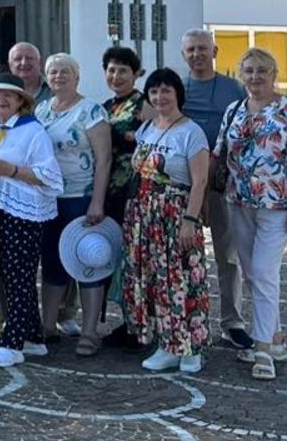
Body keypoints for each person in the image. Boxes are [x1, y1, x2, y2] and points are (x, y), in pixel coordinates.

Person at [216, 47, 287, 380]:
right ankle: (275, 338)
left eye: (262, 70)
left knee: (262, 271)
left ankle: (262, 350)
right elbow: (220, 154)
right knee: (253, 273)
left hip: (278, 206)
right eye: (248, 70)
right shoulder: (234, 109)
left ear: (274, 74)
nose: (255, 77)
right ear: (240, 74)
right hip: (239, 203)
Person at [123, 67, 212, 374]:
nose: (160, 97)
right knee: (157, 281)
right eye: (154, 91)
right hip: (145, 214)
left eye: (166, 91)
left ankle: (192, 347)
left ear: (178, 95)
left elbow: (200, 181)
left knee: (183, 279)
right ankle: (167, 344)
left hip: (175, 213)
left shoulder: (191, 131)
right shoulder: (149, 127)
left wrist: (190, 219)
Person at [0, 72, 62, 368]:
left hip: (22, 213)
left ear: (20, 101)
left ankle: (12, 342)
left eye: (7, 95)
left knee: (20, 275)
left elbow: (51, 178)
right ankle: (33, 337)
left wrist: (12, 171)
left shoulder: (33, 132)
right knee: (10, 274)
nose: (0, 100)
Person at [180, 28, 252, 351]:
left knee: (228, 255)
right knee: (180, 256)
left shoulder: (234, 89)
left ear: (215, 51)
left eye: (202, 49)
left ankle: (232, 322)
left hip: (224, 183)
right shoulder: (177, 89)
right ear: (184, 54)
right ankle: (180, 320)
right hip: (184, 184)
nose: (197, 55)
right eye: (191, 50)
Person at [35, 52, 111, 355]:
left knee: (87, 264)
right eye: (53, 72)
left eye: (65, 71)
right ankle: (47, 325)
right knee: (52, 264)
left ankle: (90, 331)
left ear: (77, 77)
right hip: (48, 199)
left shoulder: (90, 111)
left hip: (81, 199)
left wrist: (97, 202)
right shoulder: (41, 110)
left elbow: (104, 160)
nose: (58, 77)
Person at [98, 45, 146, 345]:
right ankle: (128, 320)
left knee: (134, 259)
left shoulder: (144, 104)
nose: (116, 76)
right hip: (109, 192)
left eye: (123, 70)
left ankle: (138, 325)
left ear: (136, 74)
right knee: (116, 258)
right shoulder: (106, 106)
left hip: (135, 191)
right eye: (111, 70)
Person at [0, 42, 52, 122]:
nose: (24, 63)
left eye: (29, 58)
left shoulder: (54, 88)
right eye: (18, 59)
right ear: (10, 65)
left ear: (39, 63)